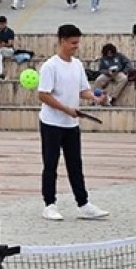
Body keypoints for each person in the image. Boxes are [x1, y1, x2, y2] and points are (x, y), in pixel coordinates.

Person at [36, 24, 110, 222]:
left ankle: (83, 204)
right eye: (73, 43)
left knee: (75, 164)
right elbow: (43, 94)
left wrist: (95, 97)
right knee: (50, 164)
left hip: (71, 124)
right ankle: (49, 204)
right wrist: (65, 109)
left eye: (77, 43)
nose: (76, 46)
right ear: (62, 41)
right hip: (51, 123)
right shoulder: (50, 66)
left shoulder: (77, 65)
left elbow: (82, 91)